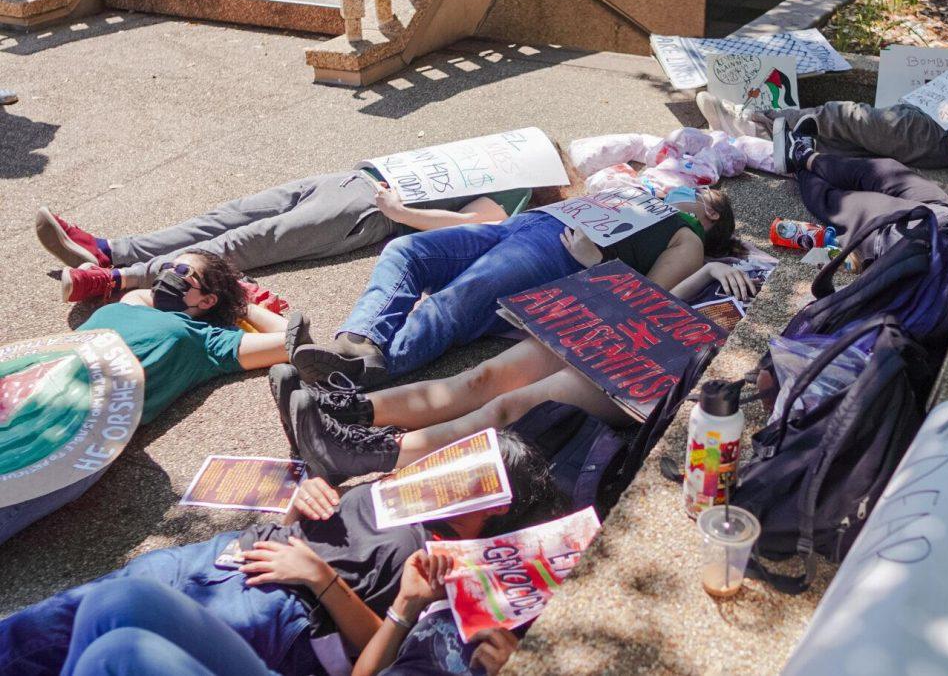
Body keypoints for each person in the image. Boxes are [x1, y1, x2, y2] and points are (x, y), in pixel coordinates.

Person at [0, 431, 562, 676]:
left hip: (279, 612)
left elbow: (385, 652)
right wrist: (298, 507)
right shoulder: (398, 491)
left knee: (111, 652)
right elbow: (317, 523)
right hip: (227, 556)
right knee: (56, 623)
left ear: (495, 506)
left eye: (474, 477)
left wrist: (321, 580)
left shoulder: (446, 561)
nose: (452, 474)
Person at [272, 259, 758, 483]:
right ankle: (347, 412)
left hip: (650, 373)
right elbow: (662, 302)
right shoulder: (728, 268)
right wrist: (713, 268)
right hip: (623, 333)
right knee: (479, 379)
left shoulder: (770, 321)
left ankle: (368, 454)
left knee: (507, 407)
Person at [290, 188, 741, 389]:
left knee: (460, 299)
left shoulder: (690, 238)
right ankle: (359, 340)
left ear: (712, 212)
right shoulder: (646, 197)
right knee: (404, 251)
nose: (686, 187)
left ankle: (367, 371)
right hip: (525, 226)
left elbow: (645, 301)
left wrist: (597, 264)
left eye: (699, 190)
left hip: (559, 253)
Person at [0, 249, 294, 544]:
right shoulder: (132, 303)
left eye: (182, 272)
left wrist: (243, 304)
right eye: (168, 266)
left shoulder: (206, 342)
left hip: (68, 434)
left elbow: (291, 341)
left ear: (208, 300)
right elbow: (141, 293)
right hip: (25, 388)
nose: (168, 274)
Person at [36, 165, 540, 302]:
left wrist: (400, 212)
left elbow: (479, 225)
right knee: (225, 217)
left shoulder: (521, 187)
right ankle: (107, 250)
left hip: (368, 213)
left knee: (246, 242)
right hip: (348, 180)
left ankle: (117, 279)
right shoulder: (496, 153)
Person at [717, 71, 948, 171]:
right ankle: (760, 135)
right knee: (848, 139)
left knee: (847, 114)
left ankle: (759, 117)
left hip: (943, 139)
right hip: (939, 119)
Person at [781, 134, 948, 271]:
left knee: (844, 203)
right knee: (887, 170)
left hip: (914, 235)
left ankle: (799, 170)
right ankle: (804, 156)